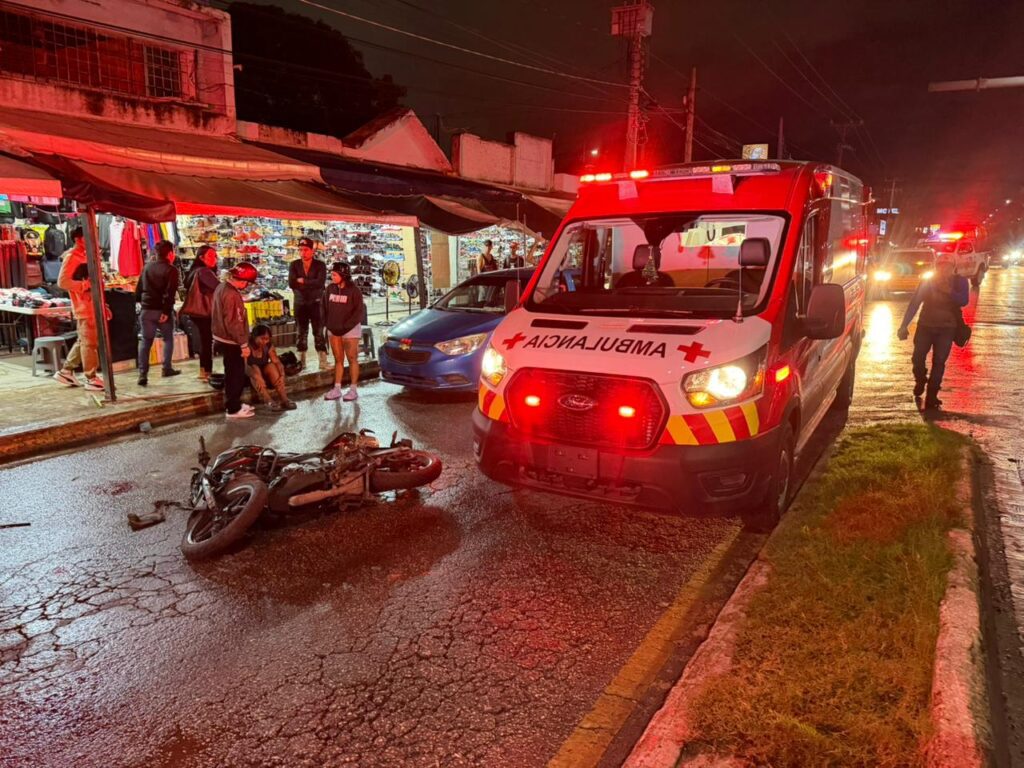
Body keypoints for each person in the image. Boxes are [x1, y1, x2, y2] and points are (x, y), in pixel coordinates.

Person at [897, 251, 970, 410]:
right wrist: (904, 325)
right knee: (917, 357)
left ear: (953, 267)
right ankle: (920, 379)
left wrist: (949, 291)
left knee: (939, 362)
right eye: (941, 266)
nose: (944, 269)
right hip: (925, 326)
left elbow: (964, 300)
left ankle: (932, 396)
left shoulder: (960, 282)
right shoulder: (928, 282)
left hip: (947, 328)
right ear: (936, 267)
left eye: (948, 266)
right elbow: (915, 303)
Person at [53, 226, 109, 391]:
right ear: (78, 239)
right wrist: (85, 285)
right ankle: (90, 376)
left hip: (92, 303)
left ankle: (66, 370)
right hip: (84, 306)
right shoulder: (72, 256)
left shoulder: (87, 255)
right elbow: (62, 282)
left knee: (85, 341)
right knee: (89, 343)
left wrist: (103, 304)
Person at [213, 261, 259, 420]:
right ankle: (233, 409)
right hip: (231, 341)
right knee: (235, 375)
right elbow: (235, 323)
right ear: (241, 280)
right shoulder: (232, 294)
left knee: (231, 372)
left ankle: (235, 404)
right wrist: (244, 344)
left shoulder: (221, 287)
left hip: (221, 337)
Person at [135, 240, 181, 386]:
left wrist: (141, 303)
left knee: (146, 341)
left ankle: (143, 374)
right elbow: (170, 292)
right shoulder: (171, 270)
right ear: (170, 253)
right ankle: (166, 368)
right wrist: (166, 311)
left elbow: (139, 288)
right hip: (161, 310)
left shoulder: (147, 267)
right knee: (168, 339)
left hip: (147, 309)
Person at [322, 261, 364, 402]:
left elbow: (359, 312)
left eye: (334, 274)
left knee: (352, 359)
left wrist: (345, 327)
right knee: (338, 359)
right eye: (332, 274)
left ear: (343, 275)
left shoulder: (354, 291)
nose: (332, 277)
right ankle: (337, 388)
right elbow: (324, 307)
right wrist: (328, 325)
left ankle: (353, 389)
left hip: (350, 331)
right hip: (333, 330)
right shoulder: (330, 289)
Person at [288, 237, 328, 371]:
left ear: (312, 250)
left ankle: (322, 361)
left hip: (316, 303)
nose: (302, 253)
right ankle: (302, 362)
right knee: (301, 332)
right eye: (300, 250)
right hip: (300, 303)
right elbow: (292, 283)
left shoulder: (320, 265)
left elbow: (320, 283)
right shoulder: (294, 265)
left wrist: (303, 282)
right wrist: (310, 283)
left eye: (305, 250)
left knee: (319, 332)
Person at [182, 245, 219, 382]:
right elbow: (218, 287)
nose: (214, 259)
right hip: (204, 311)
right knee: (206, 341)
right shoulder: (204, 272)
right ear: (201, 257)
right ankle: (207, 371)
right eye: (211, 256)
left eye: (215, 255)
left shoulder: (193, 271)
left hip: (196, 312)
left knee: (204, 340)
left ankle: (203, 370)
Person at [247, 324, 296, 412]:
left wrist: (282, 374)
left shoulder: (268, 346)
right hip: (250, 376)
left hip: (264, 374)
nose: (265, 341)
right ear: (254, 337)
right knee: (254, 368)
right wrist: (255, 376)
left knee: (271, 366)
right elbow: (244, 366)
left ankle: (284, 399)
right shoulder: (247, 346)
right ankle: (267, 400)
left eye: (267, 339)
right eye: (262, 338)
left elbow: (277, 361)